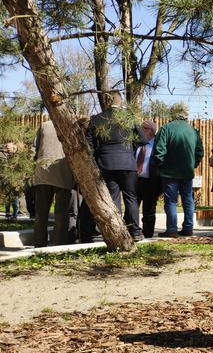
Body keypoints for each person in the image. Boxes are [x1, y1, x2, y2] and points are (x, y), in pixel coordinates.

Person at [86, 90, 146, 241]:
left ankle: (117, 231)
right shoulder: (129, 118)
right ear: (121, 102)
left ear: (107, 102)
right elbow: (143, 139)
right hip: (127, 163)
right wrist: (130, 148)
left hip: (106, 163)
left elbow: (89, 143)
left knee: (113, 198)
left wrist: (98, 154)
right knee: (131, 197)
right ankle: (135, 232)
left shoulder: (97, 119)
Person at [153, 103, 203, 237]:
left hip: (169, 172)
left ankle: (171, 229)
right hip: (187, 172)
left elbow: (159, 151)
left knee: (171, 201)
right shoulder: (193, 131)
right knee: (187, 199)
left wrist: (161, 165)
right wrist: (193, 164)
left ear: (172, 113)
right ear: (186, 114)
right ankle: (188, 228)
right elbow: (199, 152)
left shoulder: (166, 128)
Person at [32, 120, 75, 247]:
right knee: (61, 213)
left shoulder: (44, 125)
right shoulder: (71, 125)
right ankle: (58, 244)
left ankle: (39, 244)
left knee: (41, 213)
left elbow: (33, 149)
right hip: (63, 173)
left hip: (43, 172)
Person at [134, 120, 160, 238]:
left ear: (152, 131)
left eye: (144, 128)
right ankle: (132, 231)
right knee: (132, 206)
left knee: (149, 208)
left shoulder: (158, 145)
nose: (141, 130)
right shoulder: (136, 143)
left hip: (150, 180)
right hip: (134, 180)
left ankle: (148, 233)